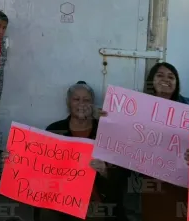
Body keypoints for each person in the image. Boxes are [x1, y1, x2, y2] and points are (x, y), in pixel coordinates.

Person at [41, 81, 128, 221]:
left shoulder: (107, 132)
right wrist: (15, 158)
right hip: (62, 201)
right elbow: (37, 164)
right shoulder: (54, 130)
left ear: (92, 104)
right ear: (68, 103)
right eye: (76, 99)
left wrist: (105, 170)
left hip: (97, 203)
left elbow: (123, 174)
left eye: (86, 100)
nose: (81, 104)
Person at [136, 62, 189, 221]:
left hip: (181, 179)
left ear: (177, 83)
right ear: (151, 80)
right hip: (150, 179)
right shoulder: (138, 106)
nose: (166, 80)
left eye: (171, 77)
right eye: (160, 75)